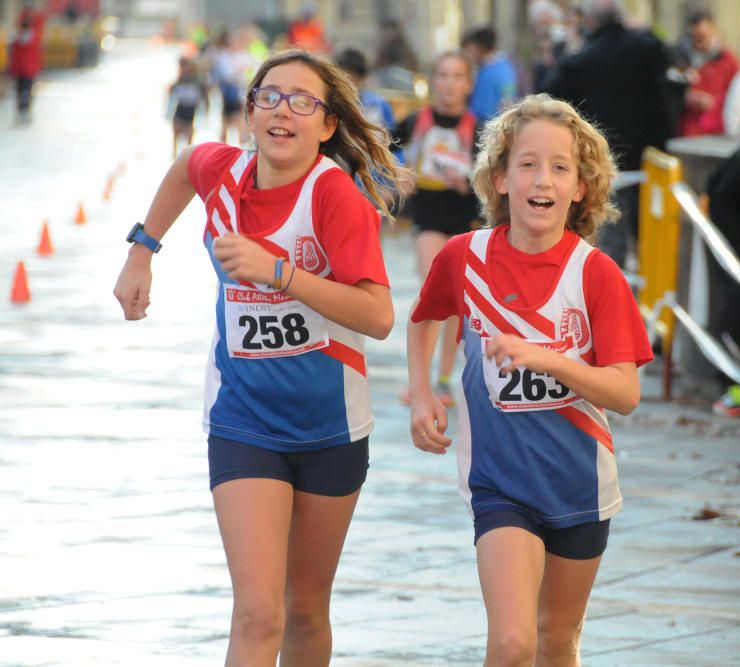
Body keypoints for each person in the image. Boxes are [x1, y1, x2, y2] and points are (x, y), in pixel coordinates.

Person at [112, 50, 401, 665]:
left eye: (304, 101)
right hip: (244, 418)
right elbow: (187, 165)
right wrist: (143, 250)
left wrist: (280, 274)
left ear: (326, 126)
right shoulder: (225, 172)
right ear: (248, 113)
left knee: (302, 609)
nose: (283, 111)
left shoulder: (335, 198)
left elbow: (377, 316)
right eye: (269, 97)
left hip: (331, 426)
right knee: (257, 609)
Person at [407, 94, 651, 664]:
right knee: (513, 642)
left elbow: (626, 393)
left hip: (580, 486)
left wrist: (551, 360)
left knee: (556, 640)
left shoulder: (596, 273)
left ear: (581, 187)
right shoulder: (464, 257)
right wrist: (423, 392)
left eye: (560, 167)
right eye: (527, 163)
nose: (543, 178)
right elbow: (424, 318)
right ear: (500, 179)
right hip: (499, 485)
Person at [542, 0, 675, 269]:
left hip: (605, 159)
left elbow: (549, 94)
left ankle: (612, 299)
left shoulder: (582, 59)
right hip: (650, 157)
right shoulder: (646, 46)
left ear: (590, 22)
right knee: (651, 236)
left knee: (611, 236)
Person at [393, 50, 481, 407]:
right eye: (443, 75)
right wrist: (399, 176)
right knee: (433, 291)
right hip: (428, 218)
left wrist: (469, 185)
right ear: (433, 81)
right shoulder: (417, 121)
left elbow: (493, 177)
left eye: (457, 76)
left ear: (468, 84)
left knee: (456, 304)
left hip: (464, 220)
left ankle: (444, 381)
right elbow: (381, 148)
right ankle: (419, 382)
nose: (449, 84)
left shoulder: (479, 127)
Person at [675, 8, 740, 137]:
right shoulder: (679, 58)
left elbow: (738, 94)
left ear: (712, 30)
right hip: (687, 133)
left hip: (717, 132)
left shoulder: (728, 60)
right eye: (696, 37)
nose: (700, 42)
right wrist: (684, 96)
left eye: (703, 36)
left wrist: (714, 102)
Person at [462, 26, 519, 122]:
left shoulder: (488, 72)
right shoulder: (506, 65)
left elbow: (482, 110)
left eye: (470, 49)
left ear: (479, 47)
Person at [336, 47, 395, 132]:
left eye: (353, 79)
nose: (349, 85)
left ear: (364, 78)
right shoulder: (332, 104)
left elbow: (391, 136)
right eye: (344, 79)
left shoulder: (378, 106)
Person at [167, 56, 210, 158]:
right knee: (176, 140)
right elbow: (171, 94)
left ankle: (184, 161)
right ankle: (175, 160)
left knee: (188, 142)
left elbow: (204, 97)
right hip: (180, 111)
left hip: (190, 113)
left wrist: (205, 112)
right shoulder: (180, 80)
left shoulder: (198, 81)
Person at [8, 8, 45, 125]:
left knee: (26, 91)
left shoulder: (29, 39)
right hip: (23, 70)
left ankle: (25, 110)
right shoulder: (18, 40)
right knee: (21, 91)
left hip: (28, 70)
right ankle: (22, 110)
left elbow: (36, 56)